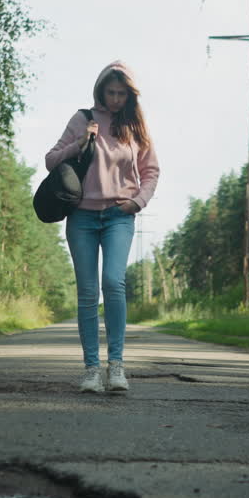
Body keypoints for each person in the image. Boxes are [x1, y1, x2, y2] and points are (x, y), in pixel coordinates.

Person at [46, 60, 160, 393]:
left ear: (129, 95)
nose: (114, 99)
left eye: (121, 94)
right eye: (110, 92)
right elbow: (51, 160)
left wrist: (137, 202)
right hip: (81, 216)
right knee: (86, 293)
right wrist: (79, 143)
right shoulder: (82, 119)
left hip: (118, 216)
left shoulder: (136, 126)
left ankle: (117, 367)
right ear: (100, 91)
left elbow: (151, 172)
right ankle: (92, 370)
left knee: (113, 282)